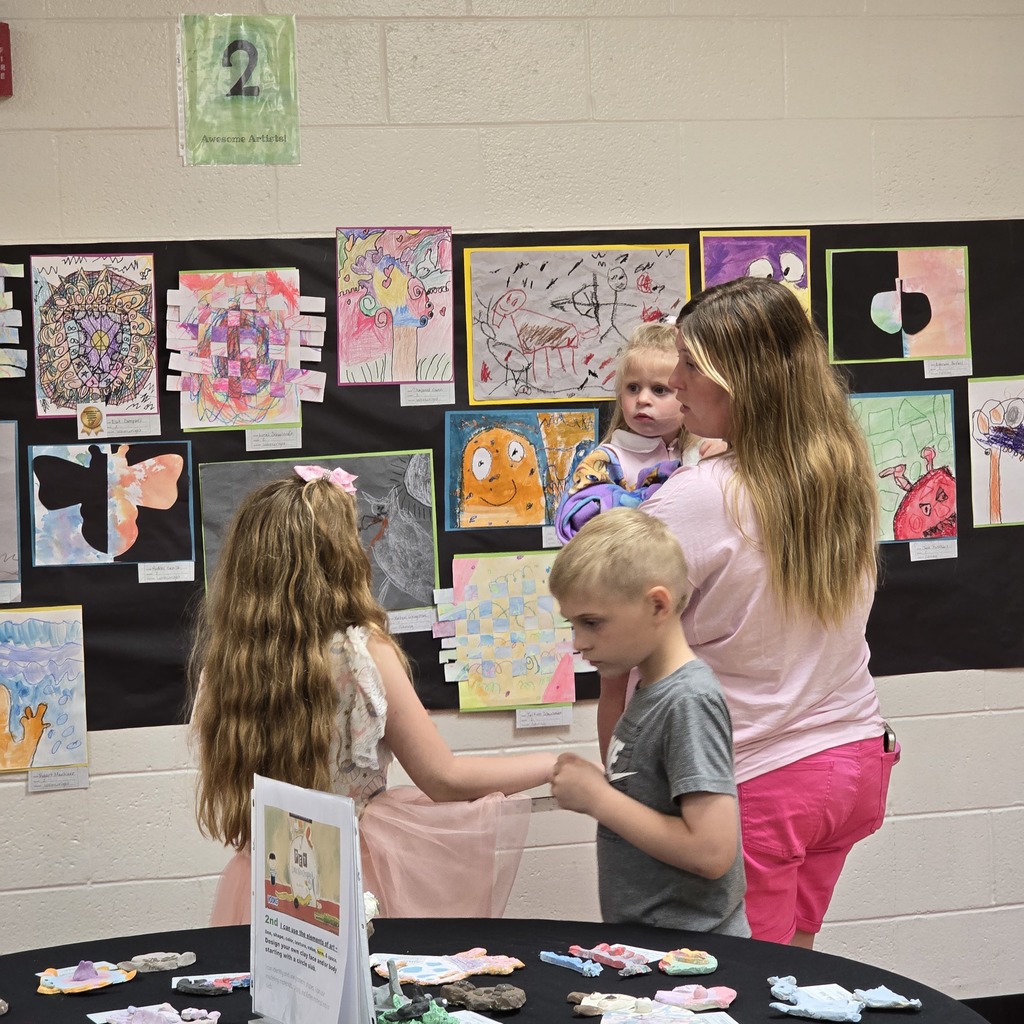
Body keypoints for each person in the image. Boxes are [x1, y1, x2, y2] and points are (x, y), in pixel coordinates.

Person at [599, 276, 898, 948]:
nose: (674, 381)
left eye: (690, 365)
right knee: (794, 970)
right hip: (848, 760)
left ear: (740, 381)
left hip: (760, 777)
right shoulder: (837, 463)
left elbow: (612, 621)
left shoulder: (698, 496)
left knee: (735, 987)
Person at [189, 467, 555, 924]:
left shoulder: (227, 667)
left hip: (270, 874)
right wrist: (554, 765)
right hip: (354, 874)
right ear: (338, 556)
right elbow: (444, 777)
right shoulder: (363, 653)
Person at [548, 508, 749, 937]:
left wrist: (598, 799)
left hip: (696, 955)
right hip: (654, 944)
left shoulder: (688, 700)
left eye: (592, 623)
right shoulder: (650, 690)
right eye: (573, 624)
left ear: (657, 604)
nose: (579, 643)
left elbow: (712, 851)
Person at [554, 323, 723, 542]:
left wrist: (725, 455)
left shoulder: (703, 448)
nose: (642, 399)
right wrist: (647, 497)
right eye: (633, 388)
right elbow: (575, 521)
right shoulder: (609, 458)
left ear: (685, 393)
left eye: (659, 390)